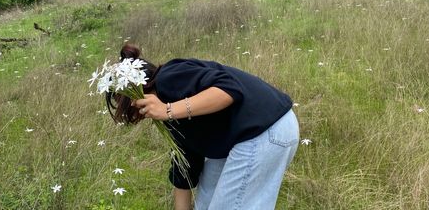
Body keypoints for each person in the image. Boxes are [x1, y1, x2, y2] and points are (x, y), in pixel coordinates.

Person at [106, 44, 299, 210]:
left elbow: (229, 89)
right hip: (250, 135)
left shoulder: (169, 77)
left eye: (123, 103)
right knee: (205, 201)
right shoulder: (166, 111)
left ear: (134, 94)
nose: (131, 113)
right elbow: (185, 164)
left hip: (265, 130)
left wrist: (168, 110)